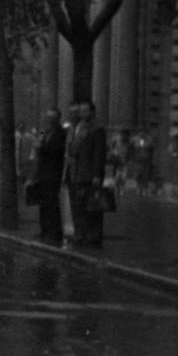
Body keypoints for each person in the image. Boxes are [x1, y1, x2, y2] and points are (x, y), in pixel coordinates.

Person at [64, 100, 107, 247]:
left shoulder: (97, 129)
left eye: (85, 111)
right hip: (75, 174)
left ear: (92, 112)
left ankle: (93, 237)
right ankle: (80, 234)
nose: (82, 114)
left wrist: (96, 175)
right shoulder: (76, 128)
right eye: (80, 111)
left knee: (92, 208)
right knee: (78, 207)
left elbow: (99, 154)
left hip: (89, 174)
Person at [32, 108, 66, 244]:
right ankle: (45, 229)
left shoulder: (61, 133)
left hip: (53, 172)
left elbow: (57, 150)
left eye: (53, 117)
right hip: (43, 172)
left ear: (58, 118)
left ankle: (54, 231)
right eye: (48, 117)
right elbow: (38, 142)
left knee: (52, 202)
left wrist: (42, 148)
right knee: (43, 203)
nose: (49, 120)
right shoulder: (44, 131)